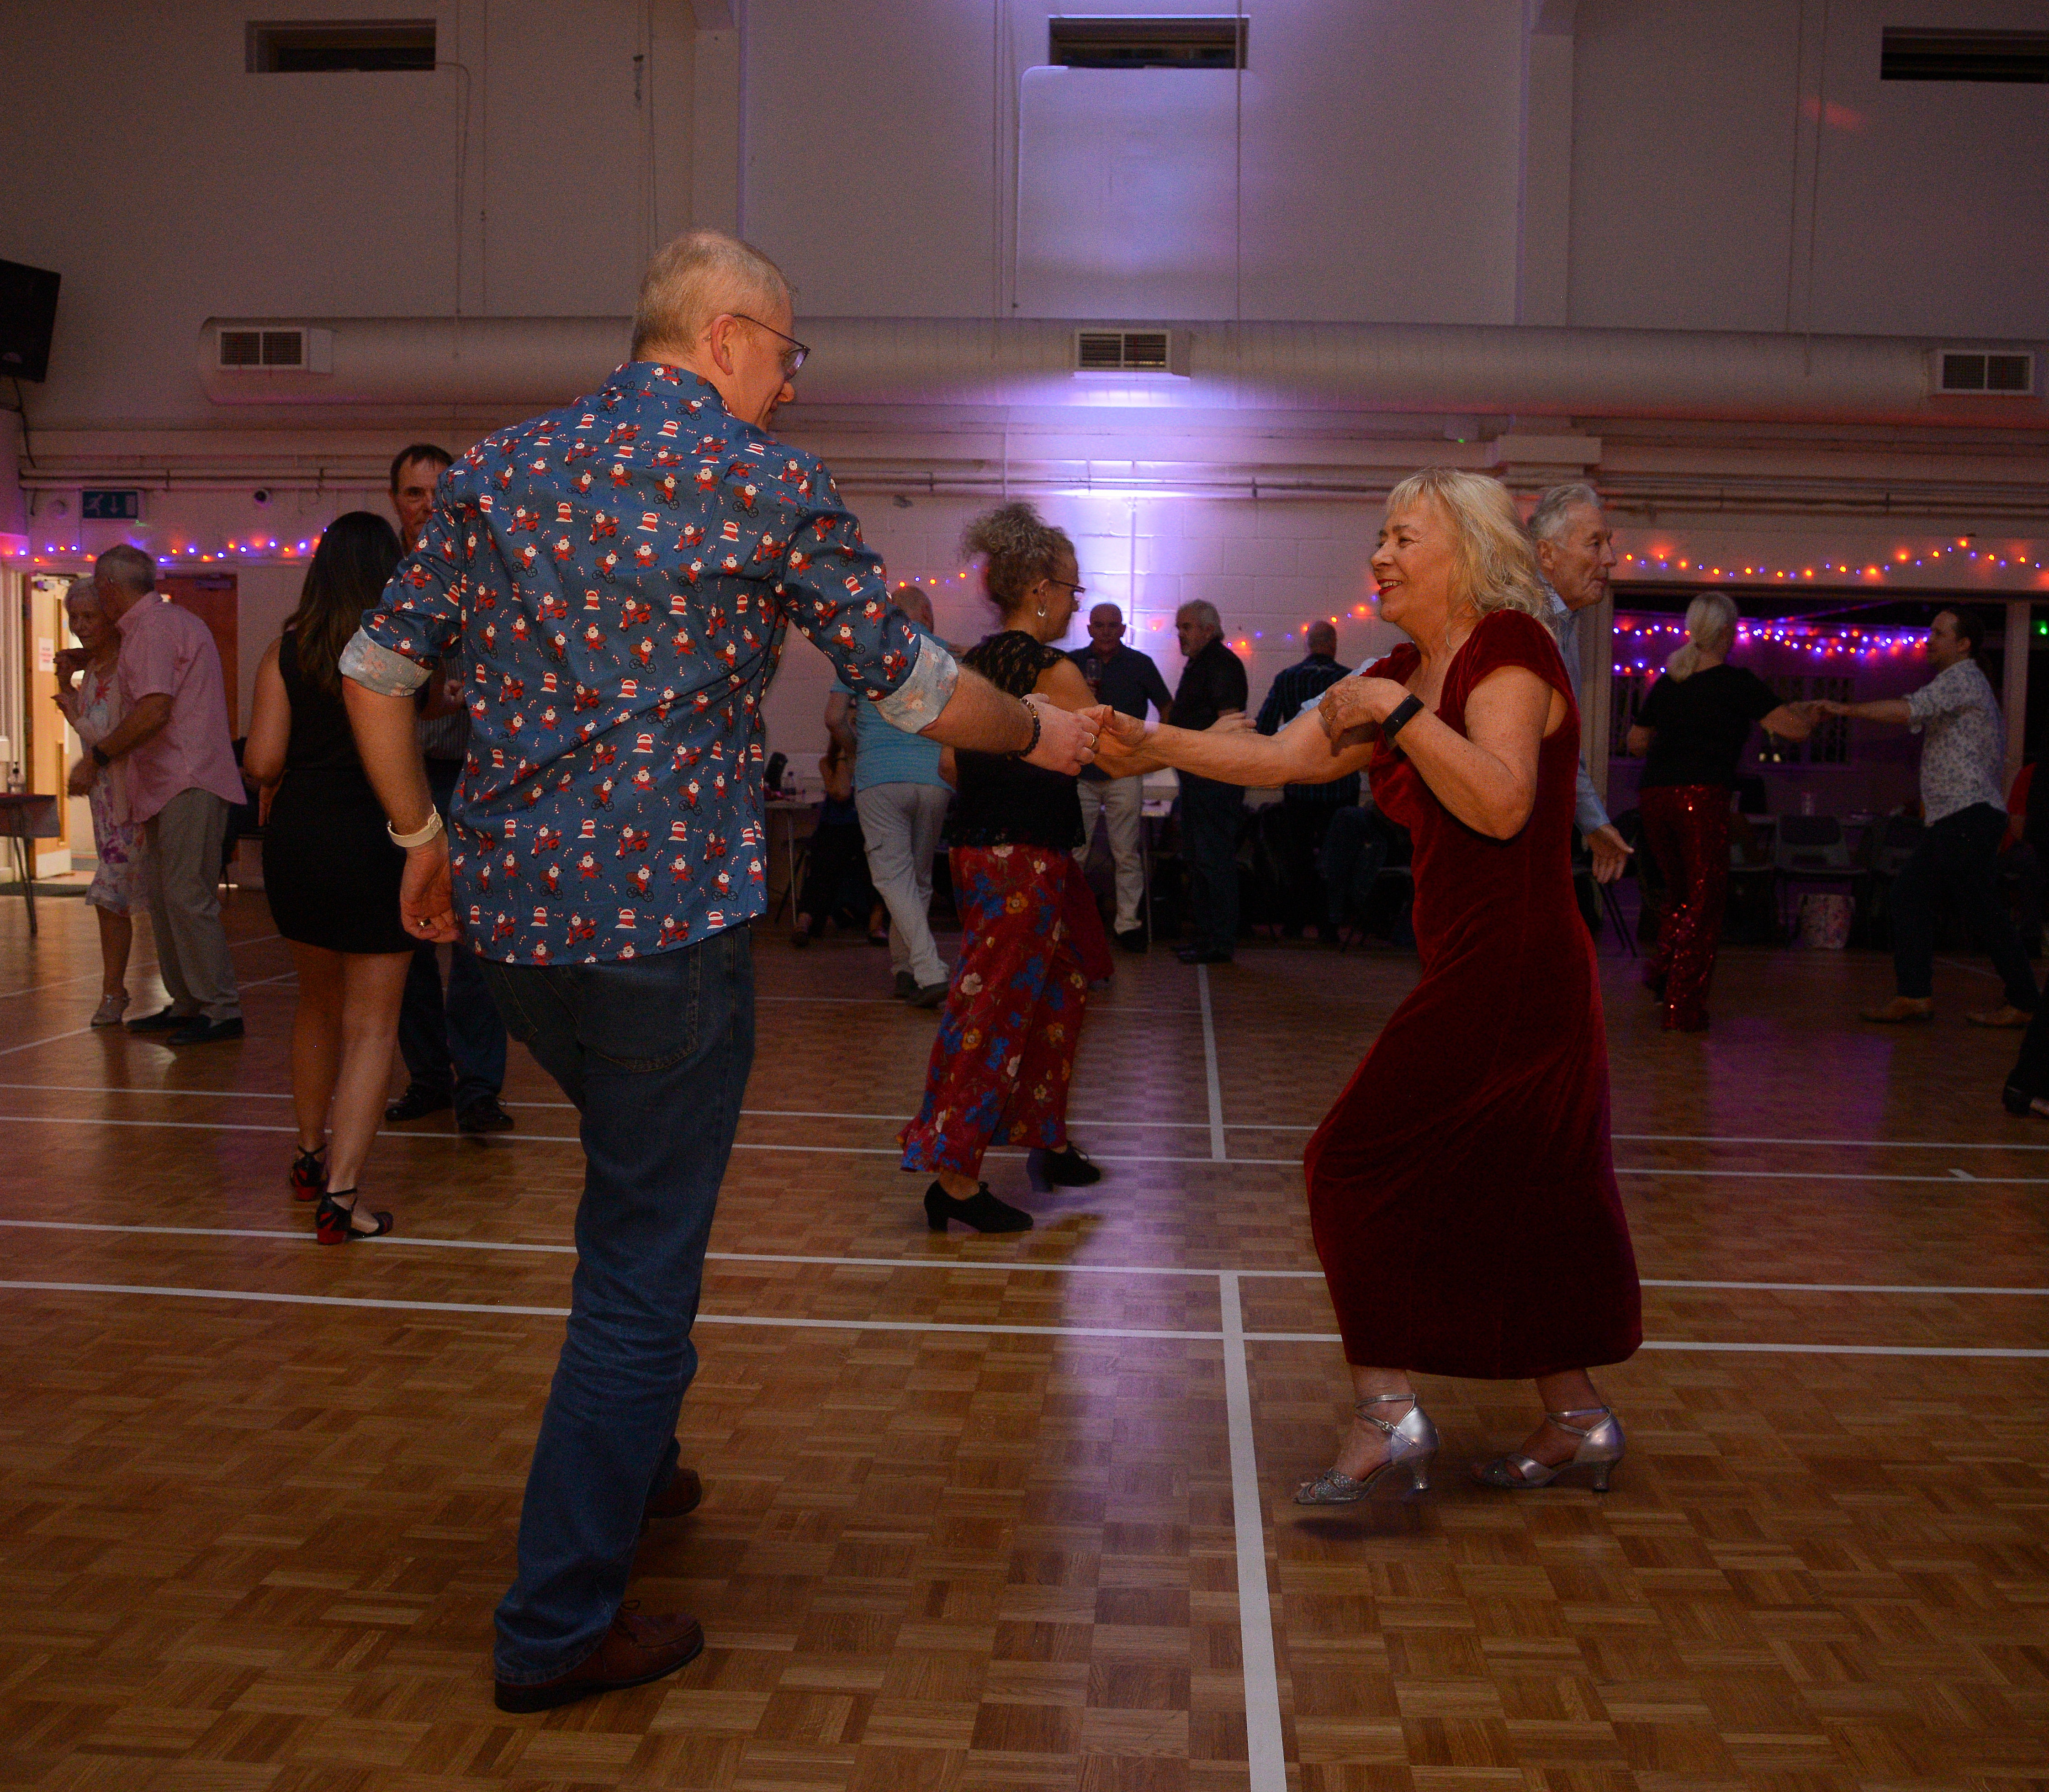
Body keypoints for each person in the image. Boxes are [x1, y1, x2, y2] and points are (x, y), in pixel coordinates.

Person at [339, 228, 1106, 1713]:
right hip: (665, 930)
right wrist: (1043, 732)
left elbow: (375, 672)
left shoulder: (496, 471)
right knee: (640, 1258)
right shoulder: (764, 481)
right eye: (788, 355)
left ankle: (640, 1461)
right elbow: (910, 684)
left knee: (639, 1192)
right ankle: (556, 1626)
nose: (791, 384)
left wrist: (418, 834)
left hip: (514, 927)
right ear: (727, 336)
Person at [1096, 467, 1641, 1499]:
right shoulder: (1398, 667)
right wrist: (1150, 744)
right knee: (1519, 1192)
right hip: (1478, 963)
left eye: (1401, 538)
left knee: (1346, 1161)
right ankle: (1578, 1417)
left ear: (1467, 550)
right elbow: (1281, 760)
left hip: (1515, 969)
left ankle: (1387, 1412)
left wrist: (1396, 711)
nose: (1378, 557)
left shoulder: (1508, 649)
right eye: (1380, 538)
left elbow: (1501, 803)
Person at [900, 502, 1111, 1233]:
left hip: (985, 850)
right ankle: (954, 1181)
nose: (1076, 603)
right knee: (991, 1007)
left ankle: (1045, 1138)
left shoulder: (972, 666)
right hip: (1022, 859)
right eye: (1073, 589)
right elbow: (1112, 755)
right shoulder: (1054, 670)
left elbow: (950, 764)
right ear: (1041, 590)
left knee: (1060, 984)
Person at [242, 514, 414, 1242]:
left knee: (315, 1005)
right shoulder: (399, 649)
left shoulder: (286, 652)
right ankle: (341, 1198)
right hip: (379, 837)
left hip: (301, 840)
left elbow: (262, 762)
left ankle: (309, 1154)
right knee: (372, 1024)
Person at [383, 444, 517, 1137]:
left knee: (475, 942)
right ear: (396, 500)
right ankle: (429, 1078)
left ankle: (479, 1088)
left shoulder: (490, 568)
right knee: (404, 940)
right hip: (402, 783)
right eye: (414, 492)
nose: (427, 504)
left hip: (474, 777)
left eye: (438, 491)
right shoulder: (382, 580)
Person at [1817, 608, 2038, 1027]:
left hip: (1967, 815)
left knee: (1923, 897)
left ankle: (1924, 995)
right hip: (1966, 816)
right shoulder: (1959, 682)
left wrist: (1843, 710)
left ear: (1963, 644)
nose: (1929, 640)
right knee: (1961, 905)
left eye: (1939, 634)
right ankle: (1993, 998)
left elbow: (1905, 711)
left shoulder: (1962, 678)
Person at [68, 544, 247, 1045]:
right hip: (170, 780)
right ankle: (189, 1001)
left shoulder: (153, 629)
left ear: (109, 588)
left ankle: (220, 1008)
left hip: (186, 777)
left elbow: (153, 710)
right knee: (168, 897)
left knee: (185, 894)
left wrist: (98, 757)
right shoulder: (161, 624)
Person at [1623, 593, 1813, 1031]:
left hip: (1655, 796)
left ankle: (1664, 975)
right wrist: (1811, 714)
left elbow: (1634, 743)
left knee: (1679, 894)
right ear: (1728, 631)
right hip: (1700, 797)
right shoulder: (1736, 683)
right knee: (1705, 900)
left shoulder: (1669, 681)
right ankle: (1682, 1005)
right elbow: (1794, 730)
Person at [828, 585, 954, 1002]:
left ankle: (930, 969)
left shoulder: (860, 650)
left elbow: (834, 718)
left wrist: (856, 750)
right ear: (927, 614)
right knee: (918, 879)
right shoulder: (945, 653)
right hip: (934, 779)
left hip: (879, 776)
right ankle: (905, 969)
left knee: (893, 879)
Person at [1527, 484, 1633, 885]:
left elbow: (1561, 743)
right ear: (1546, 554)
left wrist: (1593, 822)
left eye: (1608, 542)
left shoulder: (1563, 622)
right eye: (1595, 543)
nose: (1610, 558)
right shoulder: (1526, 620)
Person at [52, 578, 141, 1025]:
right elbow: (94, 728)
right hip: (105, 800)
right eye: (75, 617)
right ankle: (114, 990)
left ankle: (114, 991)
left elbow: (114, 735)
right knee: (112, 895)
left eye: (90, 616)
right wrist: (69, 690)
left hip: (130, 797)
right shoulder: (94, 671)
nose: (82, 625)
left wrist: (71, 710)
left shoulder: (127, 668)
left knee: (112, 893)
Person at [1069, 602, 1173, 951]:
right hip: (1081, 770)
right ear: (1088, 629)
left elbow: (1166, 706)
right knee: (1075, 852)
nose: (1106, 632)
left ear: (1123, 629)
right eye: (1099, 625)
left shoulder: (1140, 664)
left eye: (1112, 625)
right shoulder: (1072, 664)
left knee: (1126, 852)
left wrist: (1155, 748)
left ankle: (1127, 924)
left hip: (1125, 771)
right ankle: (1069, 923)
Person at [1255, 620, 1359, 939]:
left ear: (1308, 644)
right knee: (1336, 856)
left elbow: (1265, 726)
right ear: (1334, 645)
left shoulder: (1287, 678)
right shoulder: (1351, 680)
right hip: (1341, 783)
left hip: (1299, 783)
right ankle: (1330, 924)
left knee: (1297, 856)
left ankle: (1295, 922)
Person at [1168, 600, 1248, 964]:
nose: (1180, 635)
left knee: (1213, 860)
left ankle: (1219, 940)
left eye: (1186, 627)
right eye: (1179, 628)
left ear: (1207, 629)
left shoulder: (1221, 665)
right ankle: (1205, 936)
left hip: (1214, 779)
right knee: (1200, 858)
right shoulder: (1202, 663)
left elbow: (1230, 725)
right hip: (1198, 777)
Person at [789, 735, 880, 945]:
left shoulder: (871, 761)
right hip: (835, 828)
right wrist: (842, 757)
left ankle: (877, 923)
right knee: (824, 865)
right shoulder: (827, 763)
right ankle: (804, 922)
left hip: (866, 826)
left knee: (877, 862)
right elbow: (841, 793)